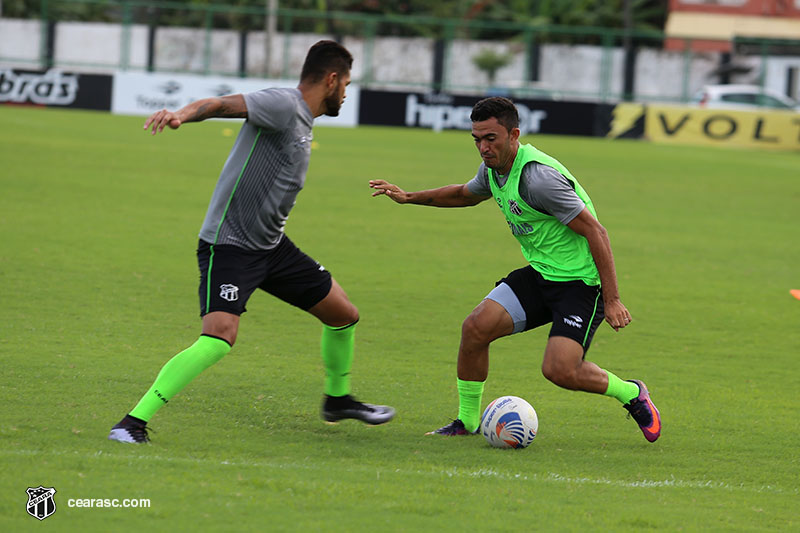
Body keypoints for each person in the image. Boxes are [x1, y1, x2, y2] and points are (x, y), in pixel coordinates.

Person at [109, 40, 395, 444]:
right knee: (218, 338)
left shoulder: (303, 120)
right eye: (346, 84)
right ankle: (131, 423)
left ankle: (337, 399)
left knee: (343, 314)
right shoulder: (284, 104)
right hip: (230, 246)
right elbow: (221, 104)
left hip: (272, 248)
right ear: (331, 79)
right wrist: (180, 115)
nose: (346, 93)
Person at [369, 96, 660, 443]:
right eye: (477, 139)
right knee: (475, 328)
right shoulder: (492, 170)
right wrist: (408, 197)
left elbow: (596, 232)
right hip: (541, 275)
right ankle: (466, 421)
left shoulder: (538, 180)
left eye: (490, 138)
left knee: (559, 370)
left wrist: (612, 299)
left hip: (581, 283)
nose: (483, 147)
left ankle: (631, 393)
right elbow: (464, 194)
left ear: (514, 135)